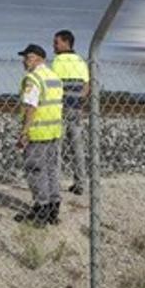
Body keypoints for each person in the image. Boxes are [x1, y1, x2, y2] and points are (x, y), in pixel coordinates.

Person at [14, 44, 63, 227]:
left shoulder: (33, 78)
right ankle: (53, 209)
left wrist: (24, 132)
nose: (23, 61)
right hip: (54, 132)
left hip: (38, 132)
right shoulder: (54, 78)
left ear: (36, 58)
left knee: (35, 171)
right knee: (51, 170)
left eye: (26, 57)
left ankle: (41, 209)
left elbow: (30, 107)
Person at [50, 29, 90, 195]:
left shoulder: (57, 61)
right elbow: (87, 86)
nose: (54, 45)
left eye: (56, 42)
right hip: (75, 108)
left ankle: (55, 184)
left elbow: (52, 85)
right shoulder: (81, 61)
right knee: (77, 146)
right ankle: (80, 183)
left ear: (66, 43)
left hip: (59, 108)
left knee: (56, 147)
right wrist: (79, 102)